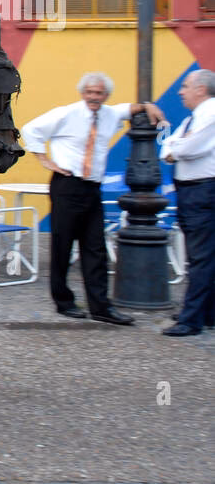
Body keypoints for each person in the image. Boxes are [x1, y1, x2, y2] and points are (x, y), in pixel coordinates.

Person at [22, 72, 166, 325]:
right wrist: (45, 160)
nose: (93, 98)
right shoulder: (66, 113)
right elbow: (30, 129)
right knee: (62, 246)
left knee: (96, 248)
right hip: (67, 185)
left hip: (92, 188)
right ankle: (64, 302)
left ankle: (101, 308)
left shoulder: (110, 114)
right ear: (82, 93)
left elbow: (127, 109)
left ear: (106, 95)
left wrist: (147, 106)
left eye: (99, 93)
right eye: (89, 92)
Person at [159, 69, 215, 337]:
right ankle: (206, 313)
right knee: (202, 255)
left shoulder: (211, 115)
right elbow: (167, 146)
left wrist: (175, 149)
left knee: (200, 257)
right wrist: (174, 148)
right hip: (194, 190)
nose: (180, 91)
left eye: (185, 86)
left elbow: (188, 148)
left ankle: (191, 319)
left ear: (201, 89)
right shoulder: (195, 118)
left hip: (203, 190)